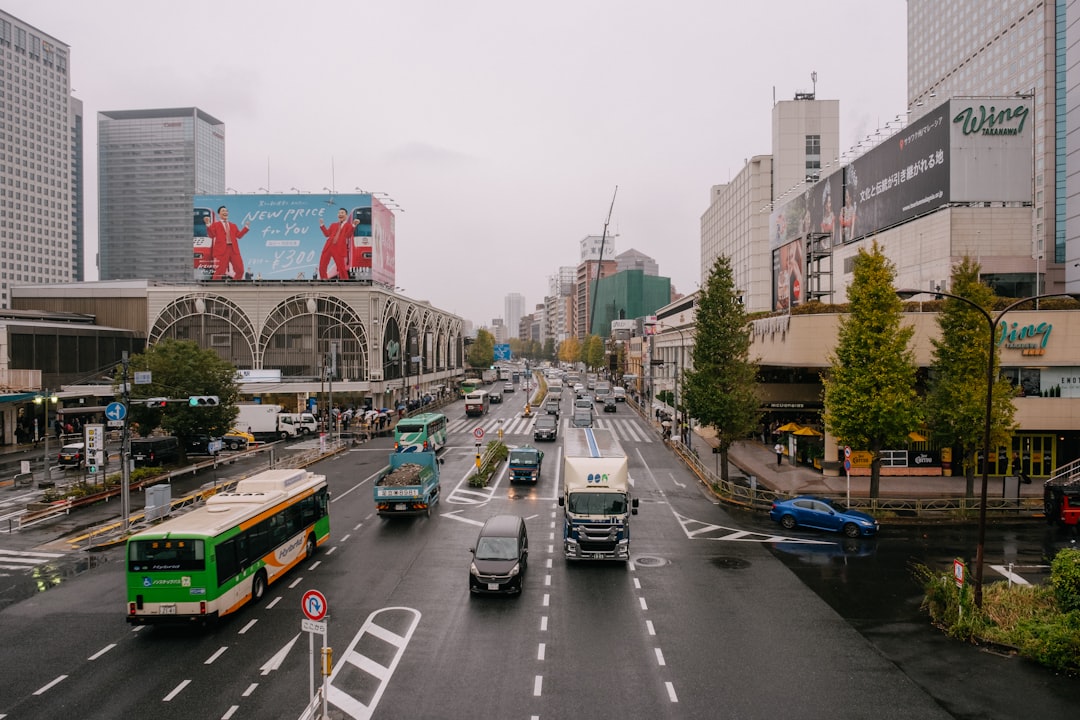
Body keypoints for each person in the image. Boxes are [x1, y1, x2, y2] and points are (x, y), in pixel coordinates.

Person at [208, 206, 250, 280]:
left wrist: (246, 227)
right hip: (222, 250)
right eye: (223, 211)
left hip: (234, 250)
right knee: (219, 271)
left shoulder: (233, 225)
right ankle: (214, 286)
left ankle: (234, 285)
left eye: (226, 211)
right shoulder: (215, 225)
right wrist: (208, 225)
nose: (225, 212)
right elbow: (211, 235)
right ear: (219, 214)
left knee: (240, 270)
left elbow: (239, 236)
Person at [318, 208, 359, 280]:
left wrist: (353, 225)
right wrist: (322, 225)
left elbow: (348, 235)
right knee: (322, 265)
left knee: (341, 267)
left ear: (346, 215)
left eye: (342, 213)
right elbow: (327, 234)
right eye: (339, 213)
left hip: (339, 248)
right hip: (329, 246)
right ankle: (323, 279)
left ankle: (345, 281)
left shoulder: (348, 226)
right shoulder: (333, 225)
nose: (340, 214)